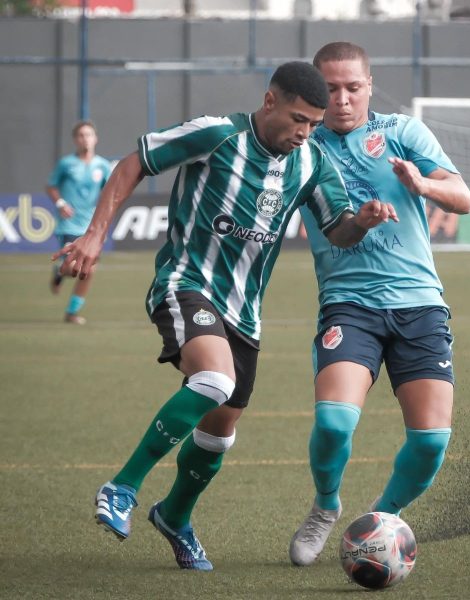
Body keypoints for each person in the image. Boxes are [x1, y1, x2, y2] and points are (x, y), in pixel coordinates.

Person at [53, 61, 398, 571]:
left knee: (217, 434)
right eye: (298, 119)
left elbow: (338, 229)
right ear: (269, 102)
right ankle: (123, 485)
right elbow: (132, 164)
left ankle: (175, 516)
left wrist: (362, 223)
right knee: (213, 378)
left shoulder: (312, 163)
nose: (304, 132)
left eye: (313, 124)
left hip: (245, 313)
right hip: (186, 283)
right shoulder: (217, 134)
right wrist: (94, 235)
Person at [289, 42, 470, 567]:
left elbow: (463, 196)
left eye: (352, 87)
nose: (342, 99)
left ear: (369, 86)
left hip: (419, 306)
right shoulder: (304, 149)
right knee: (332, 423)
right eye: (330, 89)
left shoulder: (404, 133)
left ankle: (381, 519)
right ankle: (326, 506)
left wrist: (422, 183)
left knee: (432, 442)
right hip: (350, 306)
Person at [46, 120, 112, 324]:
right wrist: (60, 203)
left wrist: (104, 220)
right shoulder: (66, 164)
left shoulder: (102, 165)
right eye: (81, 135)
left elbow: (110, 192)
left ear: (96, 139)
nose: (86, 139)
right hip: (70, 225)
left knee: (88, 271)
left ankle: (72, 312)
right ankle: (59, 272)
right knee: (71, 267)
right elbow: (51, 186)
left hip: (91, 227)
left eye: (89, 135)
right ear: (76, 140)